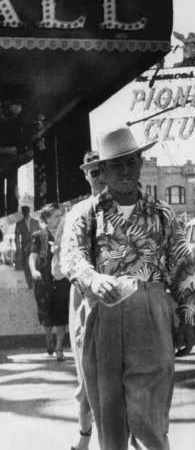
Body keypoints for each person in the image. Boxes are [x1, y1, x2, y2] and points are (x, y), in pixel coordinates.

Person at [61, 127, 195, 450]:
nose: (125, 171)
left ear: (139, 163)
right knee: (109, 414)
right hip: (101, 315)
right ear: (102, 172)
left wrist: (186, 316)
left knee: (150, 414)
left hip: (150, 312)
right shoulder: (84, 215)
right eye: (116, 165)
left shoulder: (162, 214)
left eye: (130, 162)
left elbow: (183, 266)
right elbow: (72, 257)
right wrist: (94, 279)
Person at [66, 150, 106, 450]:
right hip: (85, 299)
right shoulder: (77, 212)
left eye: (104, 170)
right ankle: (84, 438)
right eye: (94, 172)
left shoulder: (128, 209)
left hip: (123, 301)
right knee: (87, 377)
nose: (101, 178)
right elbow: (64, 263)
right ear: (86, 175)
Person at [28, 202, 70, 360]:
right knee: (46, 313)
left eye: (61, 215)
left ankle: (59, 347)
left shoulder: (67, 234)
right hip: (44, 279)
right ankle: (48, 339)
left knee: (61, 313)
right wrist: (33, 270)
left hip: (61, 279)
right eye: (56, 216)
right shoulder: (38, 235)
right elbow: (32, 256)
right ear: (46, 218)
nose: (59, 218)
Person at [15, 205, 41, 289]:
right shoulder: (19, 223)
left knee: (36, 263)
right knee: (26, 265)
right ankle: (30, 284)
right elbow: (17, 237)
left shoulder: (36, 222)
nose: (25, 213)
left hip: (35, 245)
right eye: (23, 212)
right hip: (25, 247)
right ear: (22, 213)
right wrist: (18, 248)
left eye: (26, 211)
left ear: (29, 211)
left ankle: (35, 281)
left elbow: (40, 233)